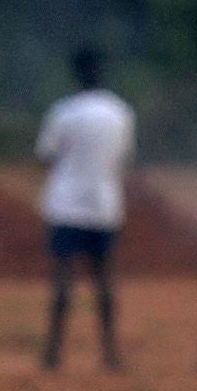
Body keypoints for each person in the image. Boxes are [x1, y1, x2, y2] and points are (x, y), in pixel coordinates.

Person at [36, 46, 135, 371]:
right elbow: (123, 159)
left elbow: (46, 155)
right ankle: (110, 353)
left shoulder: (63, 113)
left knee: (64, 278)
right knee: (105, 278)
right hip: (104, 205)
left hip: (66, 204)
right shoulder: (120, 113)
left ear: (75, 74)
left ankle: (53, 353)